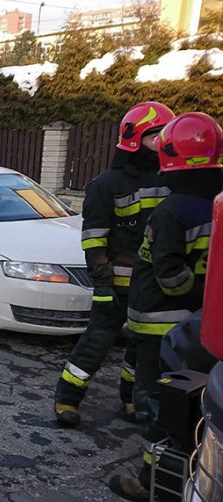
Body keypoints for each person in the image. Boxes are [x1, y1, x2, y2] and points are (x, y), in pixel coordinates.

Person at [109, 111, 223, 501]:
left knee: (160, 406)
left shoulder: (172, 211)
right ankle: (196, 475)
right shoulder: (216, 204)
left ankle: (154, 481)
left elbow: (169, 273)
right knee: (195, 404)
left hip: (163, 329)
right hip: (200, 329)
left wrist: (193, 300)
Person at [53, 101, 175, 427]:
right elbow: (94, 240)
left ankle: (130, 400)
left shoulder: (173, 180)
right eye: (156, 137)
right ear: (135, 140)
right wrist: (103, 284)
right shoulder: (107, 185)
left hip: (153, 286)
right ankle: (67, 397)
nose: (163, 143)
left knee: (141, 347)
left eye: (167, 136)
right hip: (117, 284)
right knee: (97, 343)